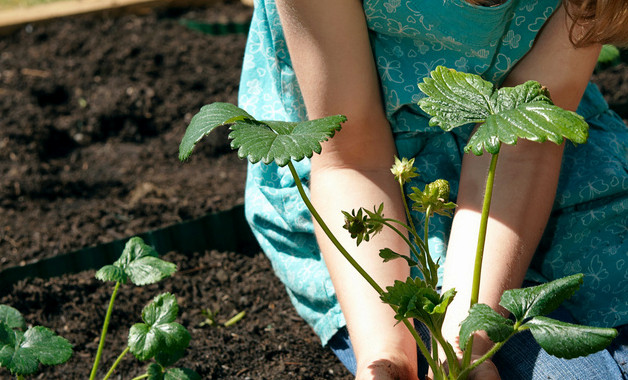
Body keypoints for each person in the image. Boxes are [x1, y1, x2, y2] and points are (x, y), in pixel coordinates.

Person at [238, 0, 628, 379]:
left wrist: (466, 344)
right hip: (367, 200)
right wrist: (386, 354)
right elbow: (352, 156)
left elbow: (523, 142)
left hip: (528, 174)